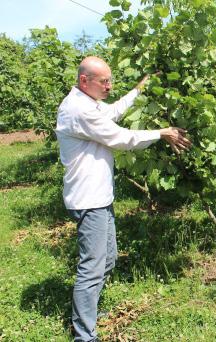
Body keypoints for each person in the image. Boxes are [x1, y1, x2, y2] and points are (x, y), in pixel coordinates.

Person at [55, 56, 192, 342]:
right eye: (104, 81)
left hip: (99, 196)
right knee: (91, 269)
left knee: (108, 260)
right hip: (88, 200)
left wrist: (138, 91)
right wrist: (162, 132)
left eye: (110, 80)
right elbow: (121, 138)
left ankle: (87, 314)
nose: (109, 86)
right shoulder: (78, 110)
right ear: (84, 81)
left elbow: (112, 113)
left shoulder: (88, 104)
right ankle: (84, 335)